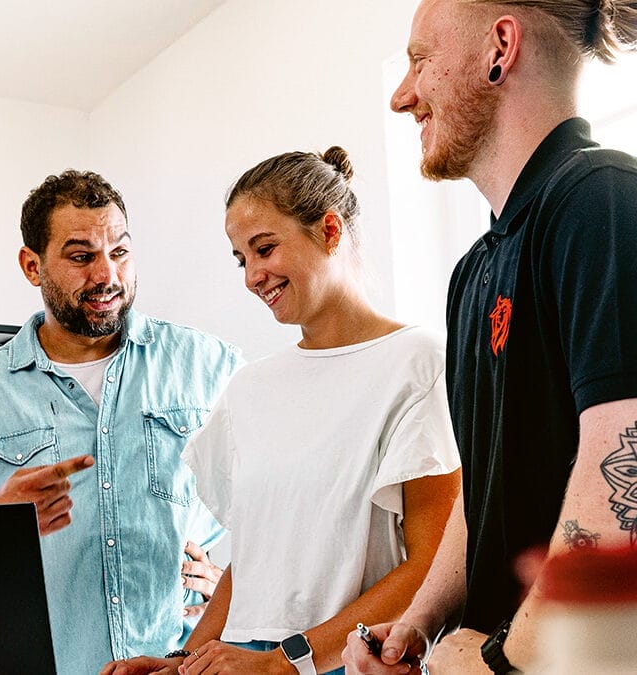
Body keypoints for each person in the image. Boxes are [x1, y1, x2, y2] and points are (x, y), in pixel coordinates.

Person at [343, 1, 637, 673]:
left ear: (500, 47)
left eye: (420, 60)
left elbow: (626, 469)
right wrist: (419, 621)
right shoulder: (472, 273)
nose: (401, 95)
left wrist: (504, 659)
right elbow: (486, 487)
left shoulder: (602, 201)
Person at [102, 147, 462, 675]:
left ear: (330, 230)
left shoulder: (419, 363)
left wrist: (285, 663)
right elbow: (250, 565)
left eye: (264, 248)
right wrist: (180, 664)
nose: (252, 276)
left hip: (349, 664)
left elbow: (431, 566)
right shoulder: (248, 389)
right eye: (241, 259)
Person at [0, 169, 242, 674]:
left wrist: (234, 592)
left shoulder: (210, 367)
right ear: (32, 265)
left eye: (120, 252)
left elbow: (280, 514)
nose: (107, 276)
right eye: (81, 257)